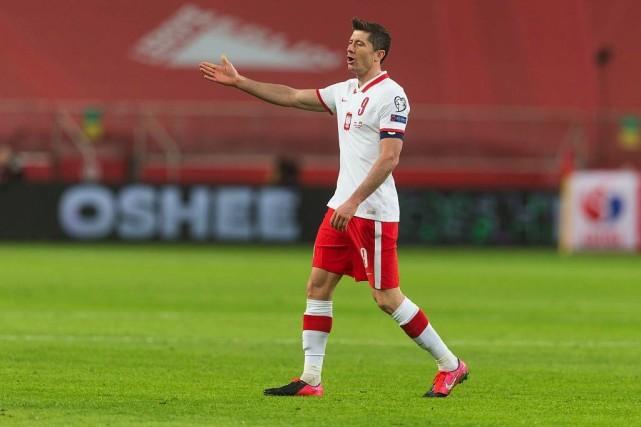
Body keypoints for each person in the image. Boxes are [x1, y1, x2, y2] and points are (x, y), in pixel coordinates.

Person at [199, 18, 468, 398]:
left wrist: (354, 201)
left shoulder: (392, 95)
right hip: (340, 208)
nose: (349, 48)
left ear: (379, 54)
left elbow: (389, 158)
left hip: (371, 212)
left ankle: (450, 365)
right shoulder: (345, 91)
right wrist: (241, 82)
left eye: (359, 44)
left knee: (386, 298)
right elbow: (292, 96)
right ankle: (311, 378)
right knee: (318, 286)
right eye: (349, 42)